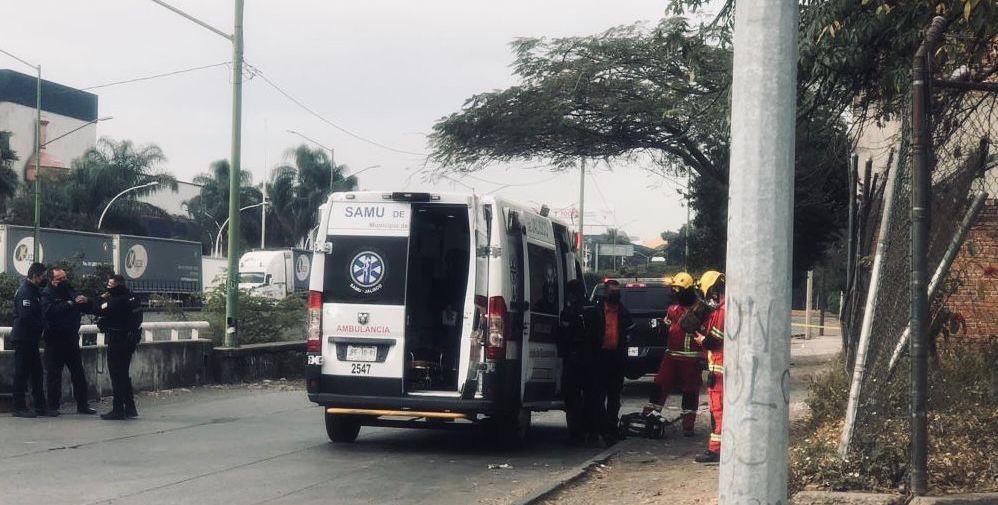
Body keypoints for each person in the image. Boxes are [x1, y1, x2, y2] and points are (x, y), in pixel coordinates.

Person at [642, 272, 702, 437]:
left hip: (691, 359)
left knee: (690, 392)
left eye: (679, 290)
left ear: (689, 290)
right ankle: (648, 418)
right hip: (671, 357)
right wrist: (659, 327)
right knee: (659, 386)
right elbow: (666, 326)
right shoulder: (673, 309)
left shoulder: (701, 310)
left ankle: (688, 425)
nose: (677, 293)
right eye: (675, 290)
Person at [41, 268, 97, 415]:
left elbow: (84, 304)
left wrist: (85, 301)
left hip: (71, 339)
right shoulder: (46, 293)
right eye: (59, 279)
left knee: (78, 373)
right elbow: (49, 311)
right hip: (54, 340)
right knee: (53, 375)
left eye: (64, 278)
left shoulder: (69, 289)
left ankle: (83, 405)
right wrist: (71, 304)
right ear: (52, 280)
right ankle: (53, 406)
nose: (63, 281)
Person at [9, 262, 55, 418]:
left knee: (37, 373)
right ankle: (18, 407)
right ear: (35, 276)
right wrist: (43, 326)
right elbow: (26, 316)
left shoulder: (34, 291)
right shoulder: (25, 292)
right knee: (21, 373)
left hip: (31, 339)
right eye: (42, 276)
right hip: (24, 338)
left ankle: (40, 406)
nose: (43, 279)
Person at [559, 279, 599, 445]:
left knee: (572, 398)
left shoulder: (568, 312)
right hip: (593, 358)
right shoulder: (595, 309)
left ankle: (576, 434)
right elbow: (600, 332)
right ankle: (593, 433)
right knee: (592, 397)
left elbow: (563, 336)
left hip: (574, 358)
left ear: (571, 293)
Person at [96, 274, 142, 420]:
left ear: (117, 286)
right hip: (130, 340)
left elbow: (99, 308)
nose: (108, 288)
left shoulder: (117, 301)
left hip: (118, 341)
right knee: (123, 374)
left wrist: (103, 298)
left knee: (116, 375)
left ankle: (118, 410)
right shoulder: (133, 297)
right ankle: (130, 407)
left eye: (110, 285)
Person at [593, 279, 633, 443]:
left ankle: (611, 428)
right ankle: (600, 428)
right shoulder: (596, 311)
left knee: (614, 396)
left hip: (617, 359)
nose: (614, 294)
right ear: (605, 292)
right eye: (612, 291)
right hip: (600, 358)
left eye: (617, 291)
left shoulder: (623, 313)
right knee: (598, 395)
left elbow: (628, 335)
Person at [692, 270, 725, 463]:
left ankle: (715, 450)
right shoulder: (722, 309)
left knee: (717, 410)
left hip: (719, 370)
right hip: (721, 368)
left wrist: (702, 340)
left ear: (712, 291)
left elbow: (714, 341)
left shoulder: (722, 311)